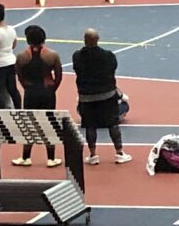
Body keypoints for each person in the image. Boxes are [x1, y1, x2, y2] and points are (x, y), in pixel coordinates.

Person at [10, 22, 66, 166]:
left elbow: (20, 76)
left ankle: (26, 157)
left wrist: (27, 88)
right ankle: (51, 158)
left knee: (29, 123)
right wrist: (52, 89)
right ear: (44, 39)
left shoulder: (22, 56)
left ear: (28, 40)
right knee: (49, 123)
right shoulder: (52, 55)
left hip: (31, 92)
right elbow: (59, 76)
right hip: (47, 92)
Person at [70, 30, 127, 165]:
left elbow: (77, 69)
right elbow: (112, 69)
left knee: (90, 125)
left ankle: (93, 154)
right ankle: (119, 152)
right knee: (113, 123)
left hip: (86, 97)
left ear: (84, 39)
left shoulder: (77, 56)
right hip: (107, 95)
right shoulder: (108, 56)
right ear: (98, 39)